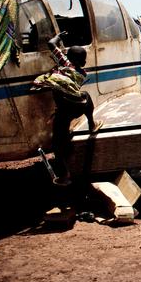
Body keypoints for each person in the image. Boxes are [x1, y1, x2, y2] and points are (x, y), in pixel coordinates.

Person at [32, 32, 102, 185]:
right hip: (77, 107)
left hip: (63, 110)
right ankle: (91, 123)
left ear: (67, 58)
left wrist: (58, 36)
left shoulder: (64, 63)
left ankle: (64, 176)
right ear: (83, 62)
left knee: (57, 144)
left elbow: (51, 44)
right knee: (85, 96)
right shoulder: (82, 73)